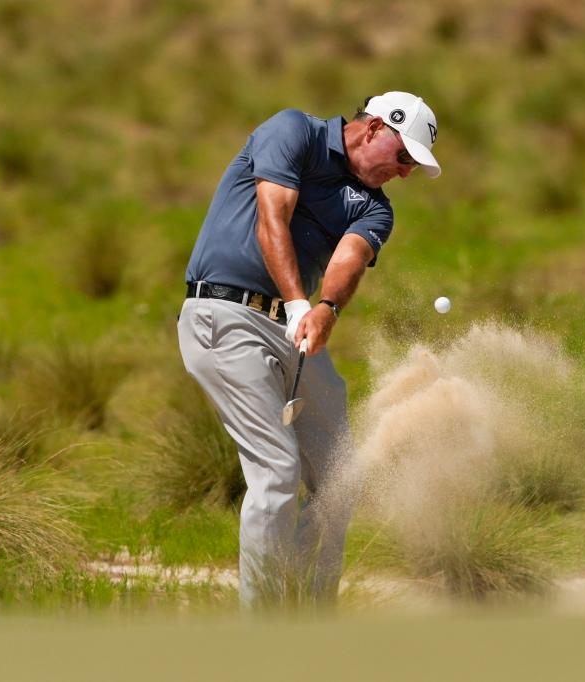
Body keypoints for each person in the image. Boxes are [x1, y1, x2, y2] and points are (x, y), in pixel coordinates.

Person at [176, 91, 440, 607]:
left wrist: (326, 309)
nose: (405, 173)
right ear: (373, 130)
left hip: (293, 328)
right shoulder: (293, 131)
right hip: (225, 316)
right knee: (276, 472)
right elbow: (271, 216)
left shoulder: (376, 210)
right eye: (404, 156)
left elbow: (348, 257)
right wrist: (300, 304)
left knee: (340, 478)